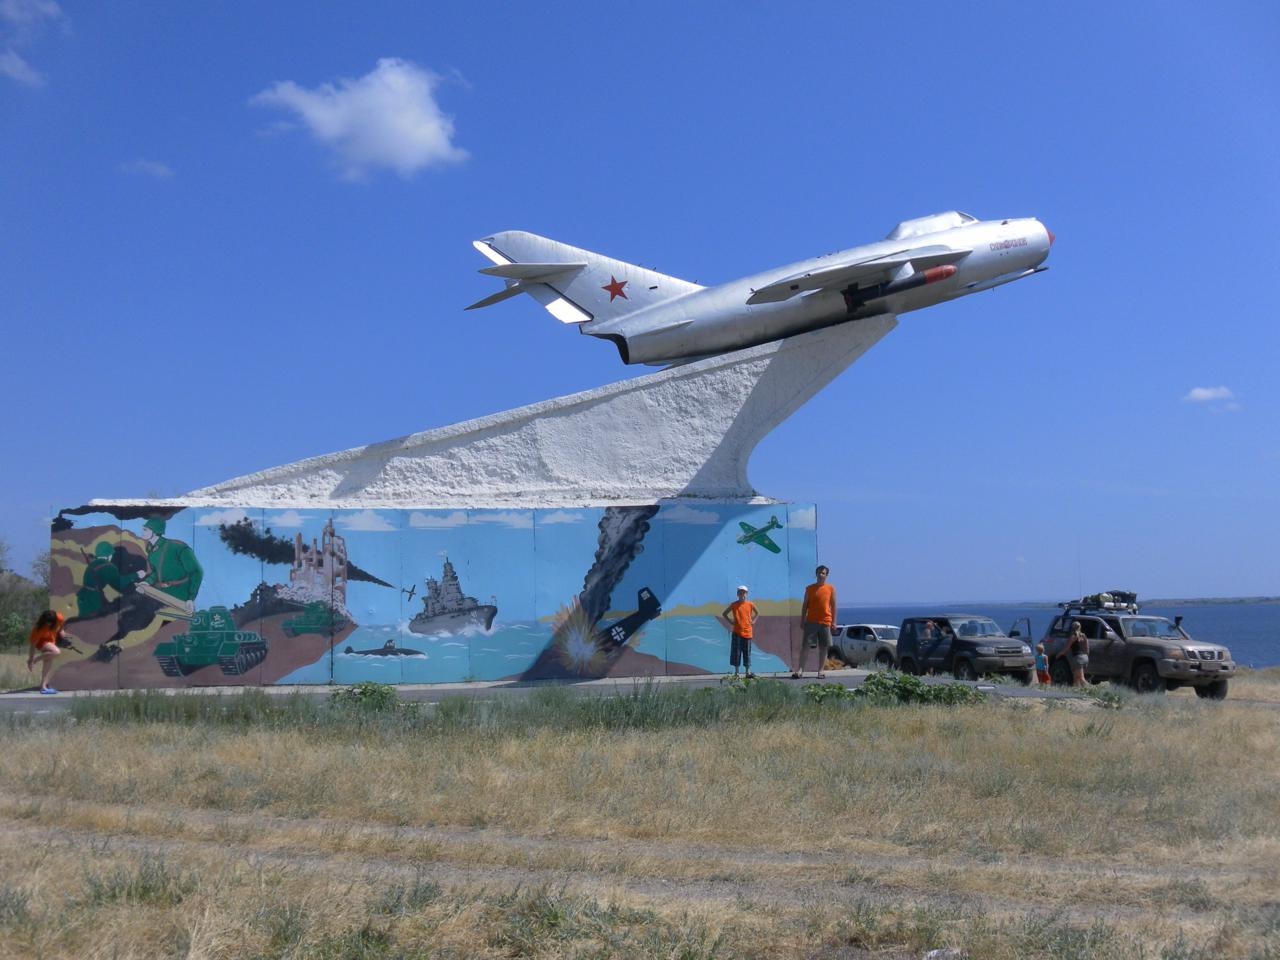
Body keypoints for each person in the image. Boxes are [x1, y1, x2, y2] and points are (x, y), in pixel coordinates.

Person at [795, 565, 836, 679]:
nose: (820, 575)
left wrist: (834, 622)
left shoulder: (830, 588)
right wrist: (802, 619)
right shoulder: (809, 588)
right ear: (816, 574)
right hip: (811, 621)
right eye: (819, 573)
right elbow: (805, 605)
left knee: (823, 647)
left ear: (826, 575)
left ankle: (820, 671)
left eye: (823, 573)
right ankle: (800, 670)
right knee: (806, 646)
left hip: (825, 621)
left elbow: (833, 606)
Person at [27, 610, 75, 695]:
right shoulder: (38, 628)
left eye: (51, 623)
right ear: (43, 620)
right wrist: (31, 659)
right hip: (41, 643)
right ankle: (36, 659)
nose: (49, 624)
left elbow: (61, 625)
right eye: (47, 622)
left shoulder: (59, 617)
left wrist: (61, 631)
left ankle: (43, 687)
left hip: (51, 641)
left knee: (48, 662)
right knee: (56, 652)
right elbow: (33, 645)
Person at [721, 585, 759, 678]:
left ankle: (747, 672)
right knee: (736, 653)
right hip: (737, 633)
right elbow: (724, 613)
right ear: (737, 594)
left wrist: (753, 621)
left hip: (747, 633)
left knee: (747, 653)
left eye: (744, 592)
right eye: (740, 592)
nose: (742, 594)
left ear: (747, 594)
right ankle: (737, 673)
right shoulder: (734, 605)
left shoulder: (750, 604)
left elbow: (757, 613)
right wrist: (731, 621)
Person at [1065, 621, 1089, 686]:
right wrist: (1086, 657)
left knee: (1081, 678)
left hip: (1078, 658)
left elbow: (1067, 648)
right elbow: (1087, 649)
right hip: (1085, 657)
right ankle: (1075, 691)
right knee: (1076, 678)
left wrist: (1059, 655)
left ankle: (1092, 690)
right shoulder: (1084, 635)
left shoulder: (1073, 636)